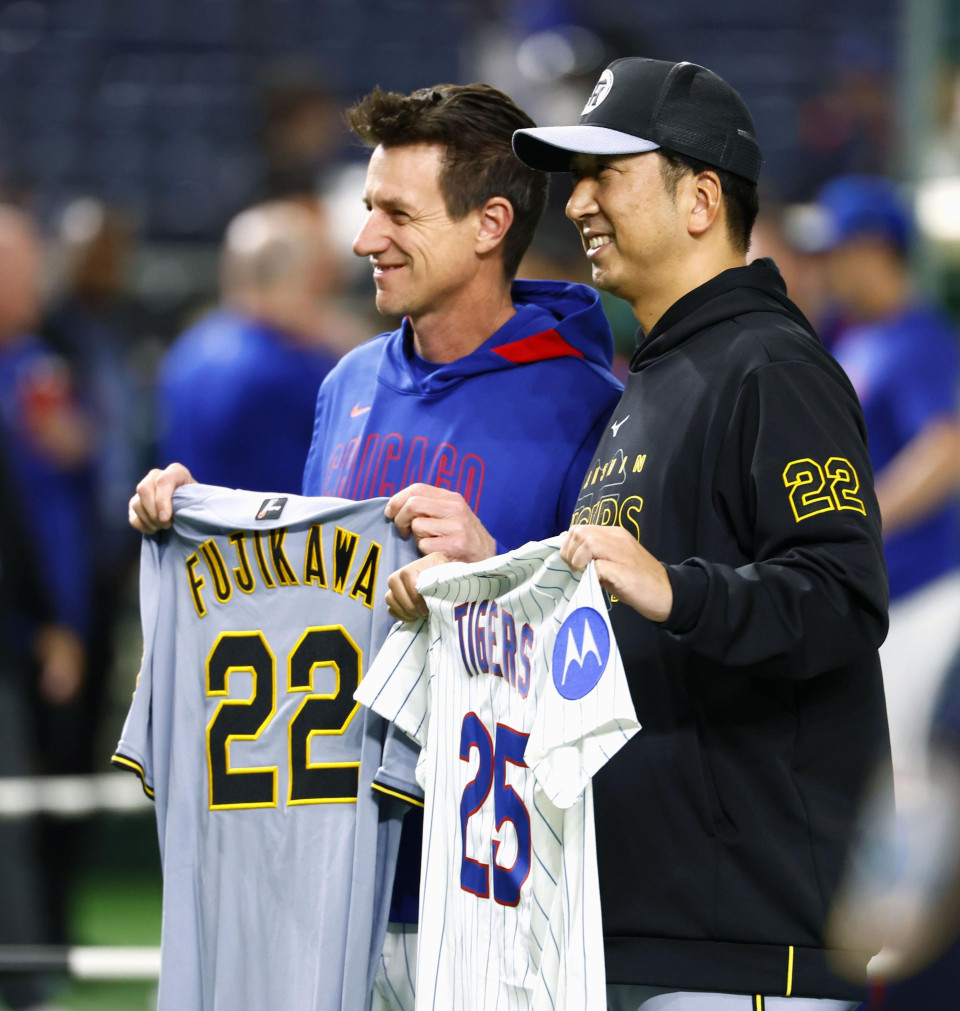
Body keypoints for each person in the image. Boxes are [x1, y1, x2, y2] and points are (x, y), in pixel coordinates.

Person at [129, 81, 623, 1010]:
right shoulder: (347, 382)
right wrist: (199, 522)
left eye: (397, 213)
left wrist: (492, 570)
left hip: (489, 900)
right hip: (328, 888)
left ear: (490, 225)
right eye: (368, 208)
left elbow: (609, 661)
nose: (364, 239)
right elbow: (308, 595)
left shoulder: (592, 406)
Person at [503, 57, 891, 1010]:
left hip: (750, 949)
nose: (578, 202)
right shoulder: (656, 378)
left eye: (606, 173)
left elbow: (842, 598)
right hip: (650, 929)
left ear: (701, 199)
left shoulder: (772, 366)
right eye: (575, 178)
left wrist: (678, 590)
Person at [805, 175, 960, 791]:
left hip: (926, 592)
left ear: (873, 250)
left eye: (836, 251)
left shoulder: (919, 338)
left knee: (913, 777)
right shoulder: (855, 337)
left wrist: (859, 519)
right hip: (881, 600)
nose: (826, 267)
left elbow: (946, 451)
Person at [156, 199, 356, 495]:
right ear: (293, 279)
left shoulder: (186, 349)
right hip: (263, 524)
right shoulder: (287, 370)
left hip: (193, 521)